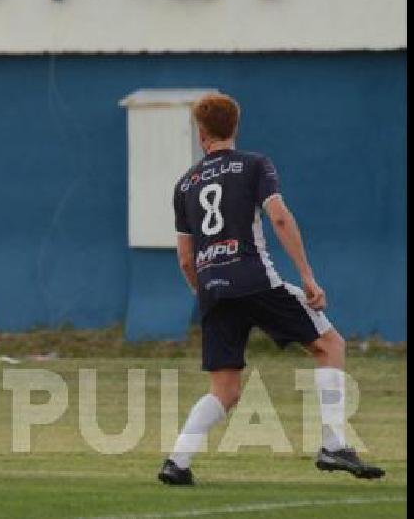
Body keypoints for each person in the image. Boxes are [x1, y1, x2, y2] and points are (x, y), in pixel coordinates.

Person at [158, 92, 385, 485]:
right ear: (235, 128)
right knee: (330, 345)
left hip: (212, 287)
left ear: (201, 135)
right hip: (254, 278)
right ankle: (333, 445)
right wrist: (307, 275)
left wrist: (206, 293)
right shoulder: (254, 165)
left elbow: (184, 257)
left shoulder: (184, 185)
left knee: (225, 389)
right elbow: (278, 217)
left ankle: (177, 462)